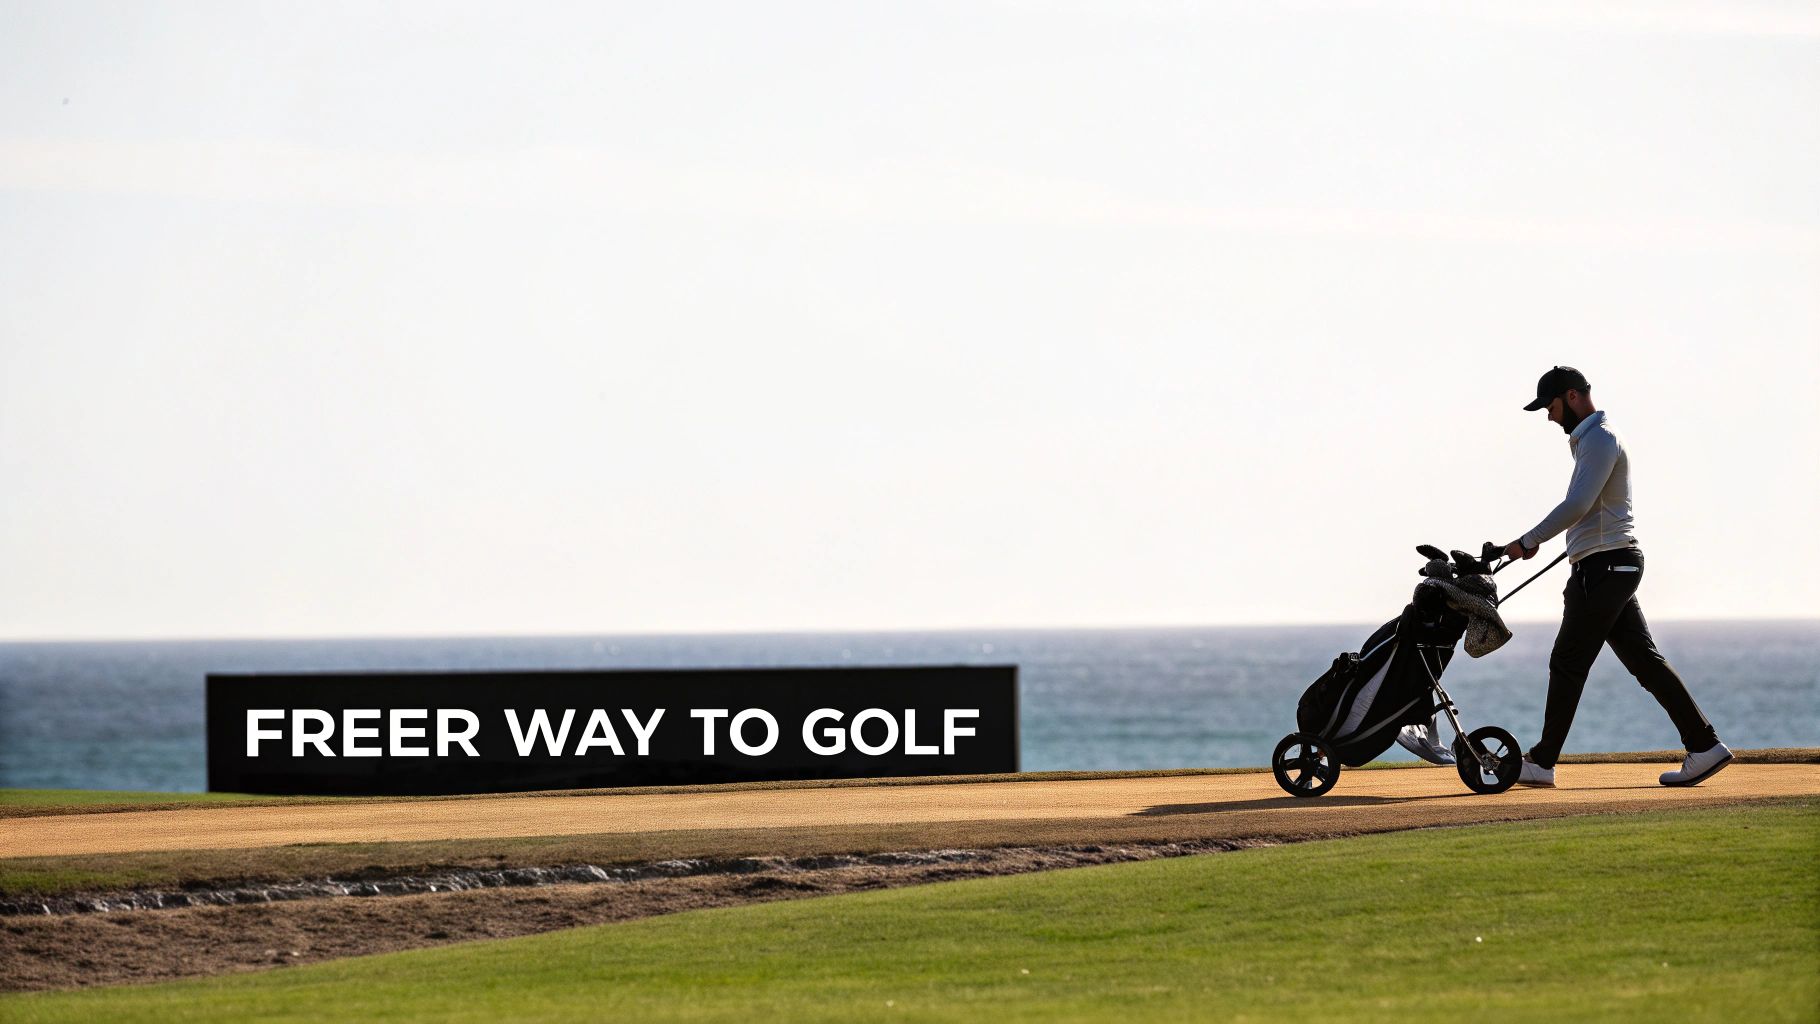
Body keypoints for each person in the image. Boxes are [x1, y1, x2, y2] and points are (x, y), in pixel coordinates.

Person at [1502, 366, 1730, 788]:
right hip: (1609, 566)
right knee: (1644, 661)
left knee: (1568, 662)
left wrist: (1527, 541)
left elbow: (1578, 503)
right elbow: (1589, 510)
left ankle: (1543, 761)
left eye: (1549, 407)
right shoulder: (1590, 441)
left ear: (1571, 397)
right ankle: (1704, 746)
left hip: (1606, 568)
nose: (1548, 418)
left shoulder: (1600, 439)